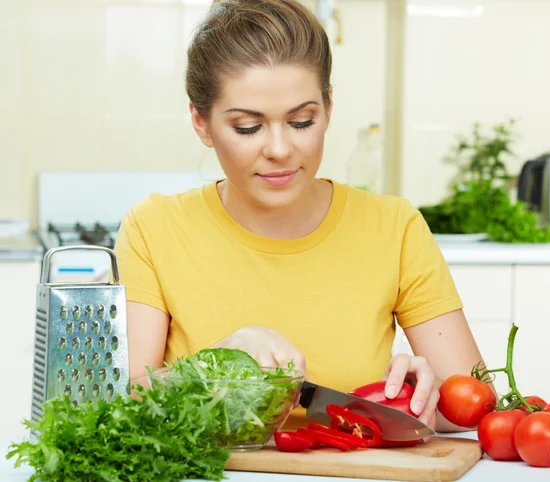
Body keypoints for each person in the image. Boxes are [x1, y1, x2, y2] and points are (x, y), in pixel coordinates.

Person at [114, 0, 488, 433]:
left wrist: (426, 392)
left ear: (328, 107)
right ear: (201, 122)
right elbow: (126, 403)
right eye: (247, 128)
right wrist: (217, 363)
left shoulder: (395, 227)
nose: (279, 149)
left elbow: (472, 406)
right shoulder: (154, 228)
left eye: (302, 121)